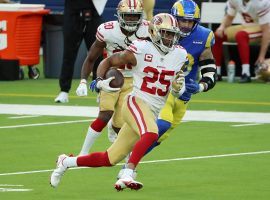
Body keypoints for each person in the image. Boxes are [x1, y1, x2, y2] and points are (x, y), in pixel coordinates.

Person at [50, 13, 187, 191]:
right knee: (152, 133)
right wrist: (99, 80)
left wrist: (178, 87)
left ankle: (66, 161)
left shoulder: (180, 54)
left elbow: (177, 90)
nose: (170, 38)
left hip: (151, 109)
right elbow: (109, 60)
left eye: (172, 34)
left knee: (109, 159)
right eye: (166, 33)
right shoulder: (141, 48)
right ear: (154, 32)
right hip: (135, 102)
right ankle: (129, 172)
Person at [128, 0, 216, 159]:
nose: (187, 25)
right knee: (162, 124)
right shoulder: (161, 29)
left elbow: (209, 66)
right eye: (183, 20)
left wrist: (201, 86)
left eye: (191, 21)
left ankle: (130, 160)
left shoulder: (203, 36)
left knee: (160, 137)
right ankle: (129, 163)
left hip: (184, 93)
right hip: (164, 88)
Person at [75, 0, 150, 156]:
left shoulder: (148, 30)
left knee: (120, 124)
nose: (130, 20)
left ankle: (126, 157)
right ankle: (83, 152)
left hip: (134, 79)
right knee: (104, 115)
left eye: (134, 16)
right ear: (119, 16)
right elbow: (91, 58)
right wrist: (83, 81)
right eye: (127, 16)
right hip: (111, 75)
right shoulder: (107, 30)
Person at [54, 0, 103, 103]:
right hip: (73, 14)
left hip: (93, 13)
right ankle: (64, 91)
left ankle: (100, 91)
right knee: (68, 54)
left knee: (97, 55)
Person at [213, 0, 270, 83]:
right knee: (218, 35)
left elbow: (266, 30)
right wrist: (222, 27)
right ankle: (216, 72)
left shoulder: (261, 2)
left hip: (264, 28)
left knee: (241, 35)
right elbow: (229, 17)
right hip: (246, 27)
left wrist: (261, 56)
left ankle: (246, 73)